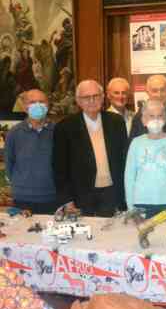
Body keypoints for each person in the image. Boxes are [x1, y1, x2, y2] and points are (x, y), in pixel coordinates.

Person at [53, 80, 127, 216]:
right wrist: (67, 200)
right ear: (78, 101)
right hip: (81, 196)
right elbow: (60, 168)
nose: (92, 100)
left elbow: (124, 159)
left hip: (112, 193)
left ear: (103, 97)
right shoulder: (65, 127)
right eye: (86, 97)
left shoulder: (116, 122)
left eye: (96, 96)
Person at [125, 100, 166, 217]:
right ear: (143, 120)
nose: (156, 119)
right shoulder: (136, 143)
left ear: (165, 119)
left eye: (160, 116)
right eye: (151, 116)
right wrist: (130, 206)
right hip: (140, 203)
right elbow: (129, 177)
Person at [4, 89, 58, 214]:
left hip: (51, 197)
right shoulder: (14, 133)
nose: (37, 105)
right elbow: (9, 164)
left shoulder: (58, 132)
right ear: (24, 106)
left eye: (41, 101)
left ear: (48, 105)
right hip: (22, 198)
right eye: (32, 102)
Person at [129, 75, 166, 143]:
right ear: (147, 92)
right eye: (154, 91)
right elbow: (132, 145)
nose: (159, 94)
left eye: (163, 90)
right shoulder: (139, 117)